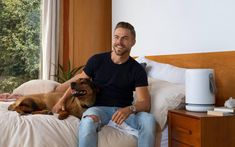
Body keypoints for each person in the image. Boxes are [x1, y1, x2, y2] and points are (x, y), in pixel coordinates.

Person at [53, 21, 156, 147]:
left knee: (149, 120)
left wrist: (129, 109)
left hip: (123, 112)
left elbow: (144, 103)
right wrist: (61, 100)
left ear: (133, 42)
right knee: (87, 123)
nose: (119, 42)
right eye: (116, 37)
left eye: (125, 38)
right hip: (98, 110)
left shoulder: (137, 70)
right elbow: (79, 82)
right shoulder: (97, 60)